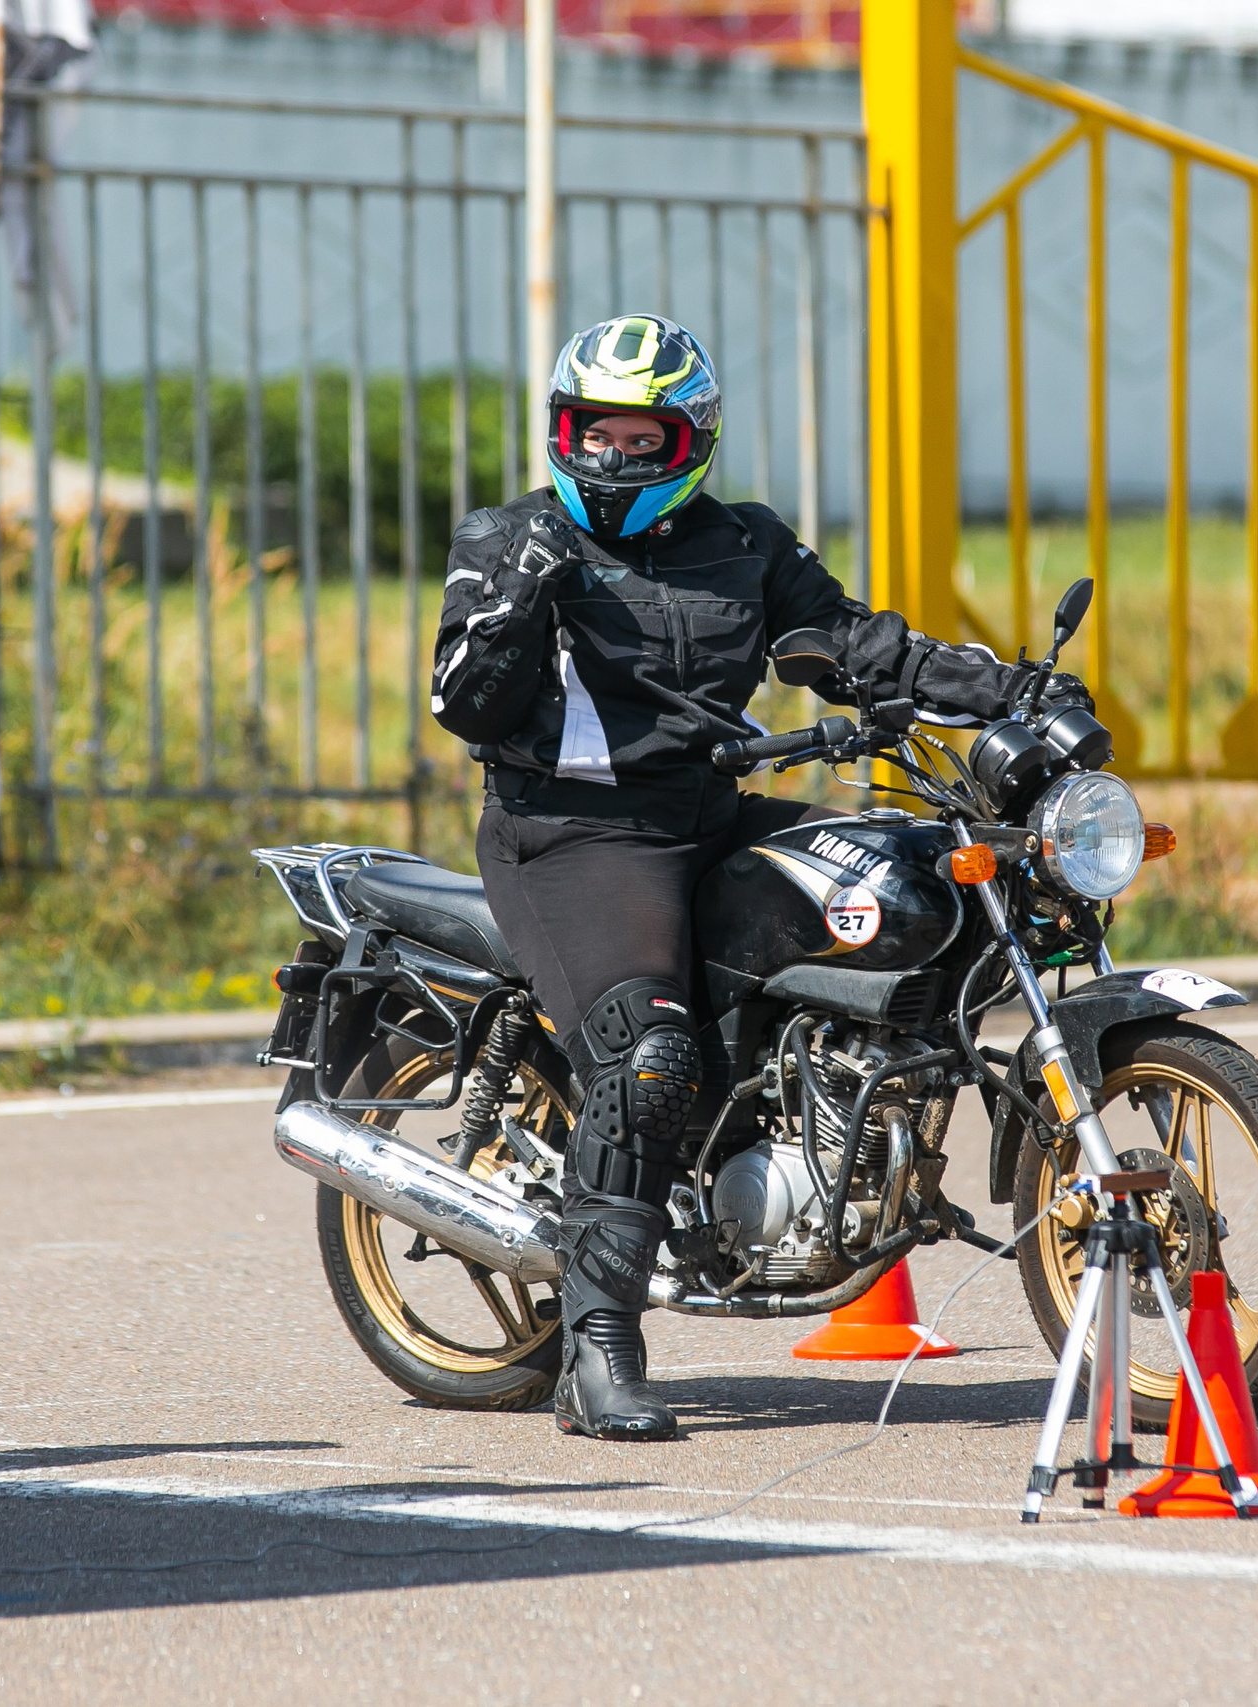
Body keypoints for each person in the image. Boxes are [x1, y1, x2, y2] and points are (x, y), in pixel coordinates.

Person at [431, 314, 1086, 1442]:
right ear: (560, 430)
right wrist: (514, 604)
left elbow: (851, 645)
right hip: (571, 834)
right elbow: (460, 703)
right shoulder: (511, 537)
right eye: (595, 432)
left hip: (709, 812)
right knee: (650, 1051)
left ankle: (804, 1135)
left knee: (928, 885)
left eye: (643, 439)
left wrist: (1003, 691)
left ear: (690, 441)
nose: (615, 457)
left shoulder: (744, 543)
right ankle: (597, 1345)